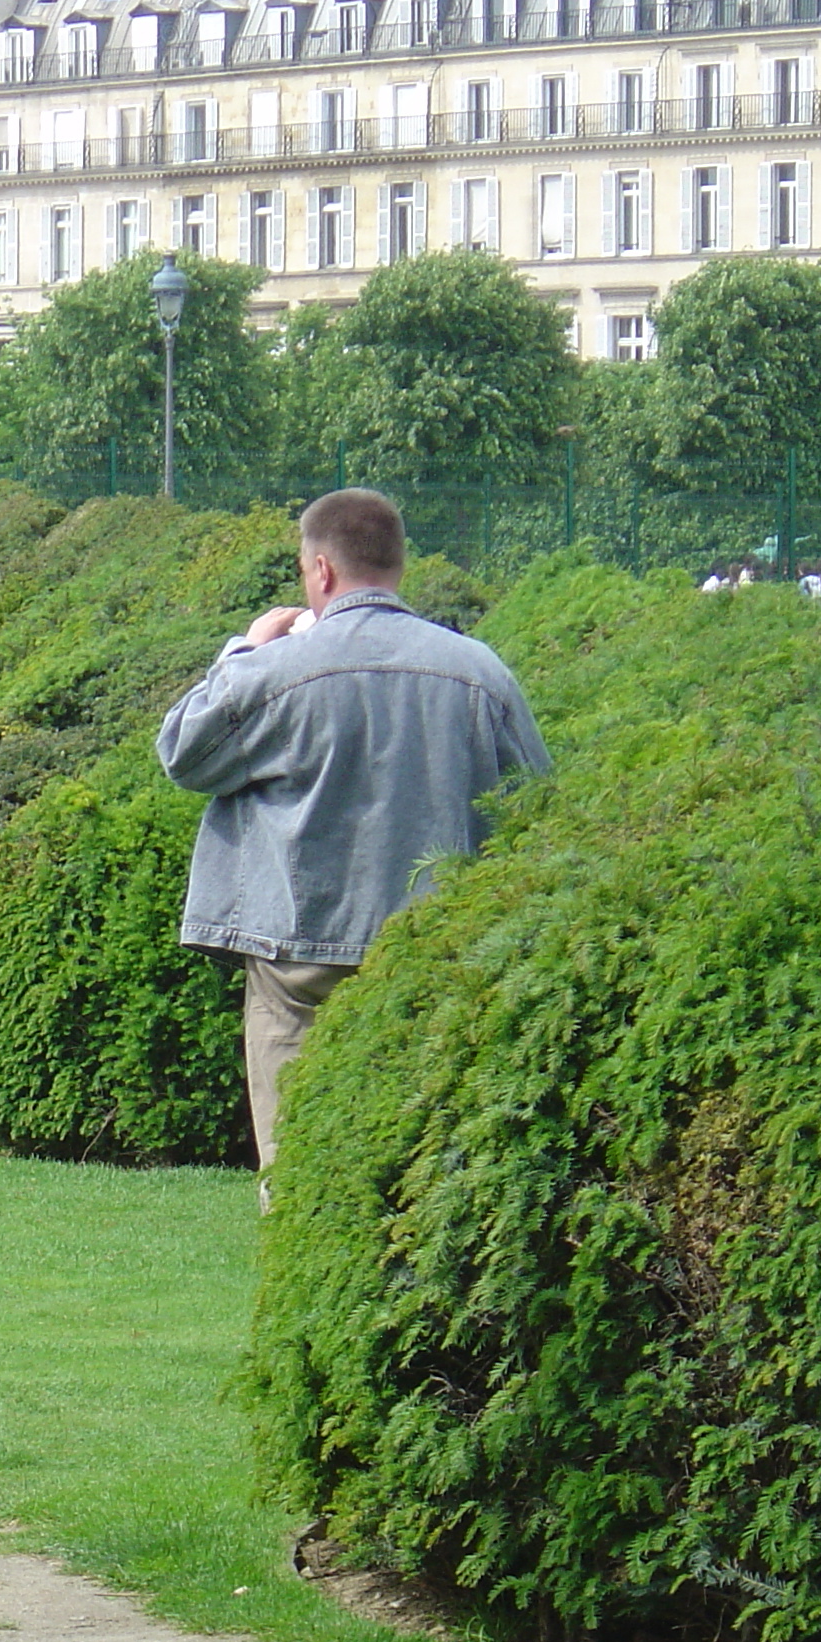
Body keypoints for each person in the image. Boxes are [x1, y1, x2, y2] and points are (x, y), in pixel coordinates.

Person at [156, 489, 551, 1203]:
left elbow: (184, 752)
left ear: (321, 572)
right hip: (438, 952)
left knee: (298, 1165)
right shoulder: (480, 671)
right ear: (400, 565)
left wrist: (244, 650)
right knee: (423, 1164)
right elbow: (537, 805)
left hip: (297, 952)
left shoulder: (277, 672)